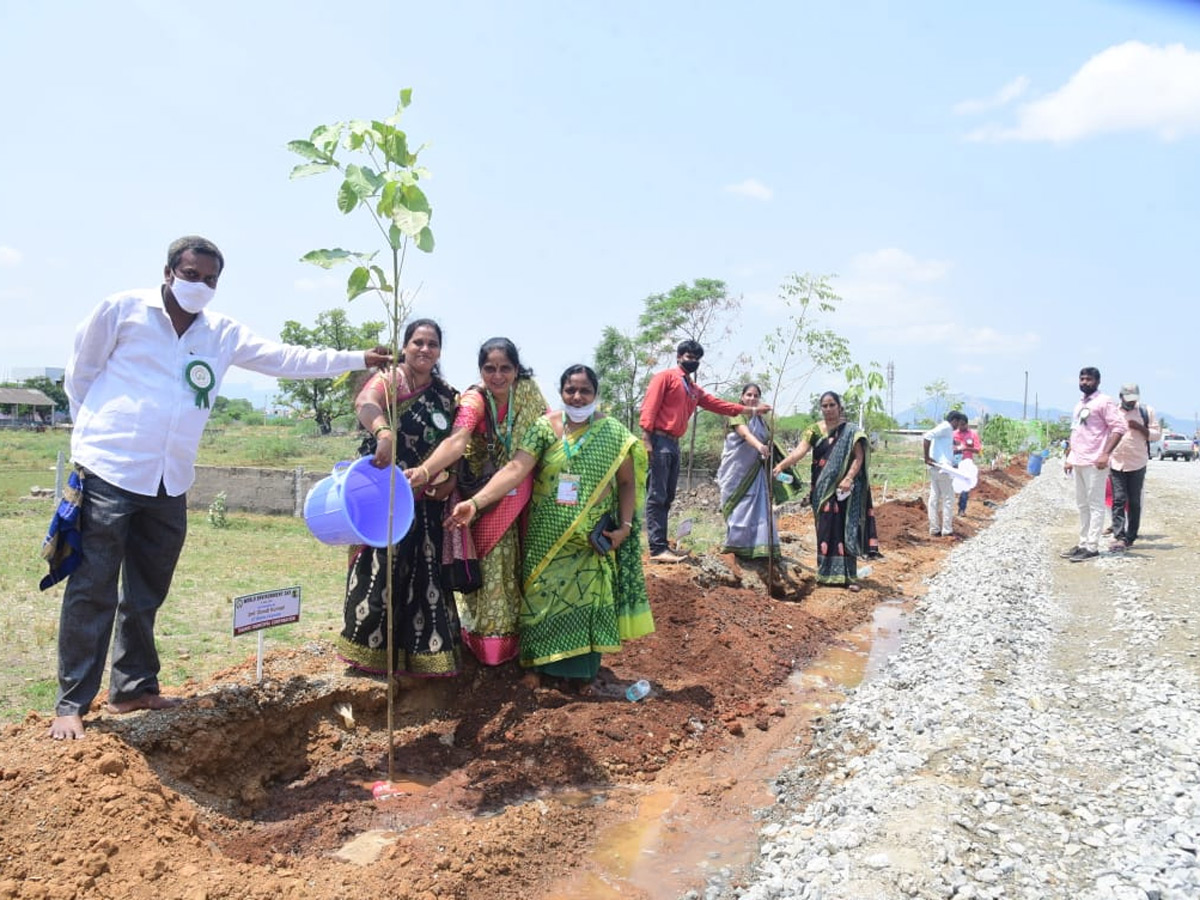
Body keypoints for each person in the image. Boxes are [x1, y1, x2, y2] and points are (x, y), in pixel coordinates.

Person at [49, 235, 391, 740]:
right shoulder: (122, 310)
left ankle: (133, 687)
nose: (201, 286)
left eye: (211, 280)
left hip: (171, 479)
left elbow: (286, 359)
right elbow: (81, 373)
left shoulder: (221, 334)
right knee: (92, 587)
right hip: (111, 469)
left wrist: (357, 358)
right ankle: (71, 704)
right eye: (192, 275)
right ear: (168, 272)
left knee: (146, 590)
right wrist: (92, 435)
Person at [447, 365, 653, 692]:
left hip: (589, 542)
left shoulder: (614, 434)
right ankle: (536, 669)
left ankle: (584, 676)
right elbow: (516, 468)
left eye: (585, 390)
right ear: (561, 392)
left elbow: (627, 483)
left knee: (588, 602)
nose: (577, 396)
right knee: (539, 599)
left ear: (595, 394)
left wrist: (625, 527)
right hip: (546, 536)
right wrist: (476, 503)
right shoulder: (545, 428)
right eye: (570, 390)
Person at [404, 337, 548, 665]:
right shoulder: (473, 400)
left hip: (523, 488)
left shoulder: (528, 393)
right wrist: (427, 472)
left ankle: (515, 642)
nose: (497, 376)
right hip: (479, 496)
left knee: (515, 566)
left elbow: (544, 437)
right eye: (489, 368)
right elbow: (458, 441)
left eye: (505, 368)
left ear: (516, 369)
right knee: (491, 567)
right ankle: (487, 648)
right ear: (480, 369)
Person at [337, 319, 462, 677]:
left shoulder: (445, 394)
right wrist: (383, 431)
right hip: (383, 493)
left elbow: (456, 445)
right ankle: (368, 660)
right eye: (418, 342)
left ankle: (424, 659)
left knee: (425, 575)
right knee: (379, 572)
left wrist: (451, 478)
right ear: (404, 346)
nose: (425, 349)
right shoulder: (392, 380)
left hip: (424, 499)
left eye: (432, 344)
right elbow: (366, 402)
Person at [639, 340, 770, 563]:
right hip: (659, 441)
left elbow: (719, 405)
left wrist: (752, 409)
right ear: (679, 357)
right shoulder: (665, 377)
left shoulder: (692, 388)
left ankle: (663, 545)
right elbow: (649, 407)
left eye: (696, 359)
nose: (693, 362)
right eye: (689, 357)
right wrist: (646, 439)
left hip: (674, 444)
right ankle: (657, 548)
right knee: (657, 495)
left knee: (668, 495)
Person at [773, 391, 879, 590]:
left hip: (843, 490)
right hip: (821, 489)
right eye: (825, 406)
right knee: (825, 530)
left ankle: (848, 577)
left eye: (832, 405)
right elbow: (799, 451)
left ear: (840, 407)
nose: (828, 410)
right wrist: (781, 466)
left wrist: (848, 478)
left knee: (844, 528)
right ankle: (826, 574)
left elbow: (858, 457)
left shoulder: (850, 431)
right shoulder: (814, 431)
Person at [715, 384, 798, 558]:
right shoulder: (736, 414)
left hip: (756, 471)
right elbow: (745, 435)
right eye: (748, 395)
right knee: (739, 507)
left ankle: (759, 547)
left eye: (755, 396)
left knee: (758, 507)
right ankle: (736, 546)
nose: (752, 398)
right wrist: (759, 446)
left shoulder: (761, 420)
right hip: (736, 470)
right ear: (742, 396)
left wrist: (781, 460)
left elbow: (769, 441)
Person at [1062, 367, 1127, 562]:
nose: (1084, 382)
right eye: (1082, 379)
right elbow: (1076, 431)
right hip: (1079, 460)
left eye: (1088, 379)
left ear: (1098, 381)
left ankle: (1092, 547)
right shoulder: (1080, 404)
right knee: (1082, 504)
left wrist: (1105, 454)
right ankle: (1082, 543)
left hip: (1095, 461)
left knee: (1095, 504)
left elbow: (1119, 427)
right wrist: (1070, 457)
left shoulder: (1104, 401)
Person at [1107, 382, 1159, 552]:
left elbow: (1156, 435)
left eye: (1133, 399)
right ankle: (1119, 536)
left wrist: (1139, 427)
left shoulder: (1146, 411)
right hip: (1116, 462)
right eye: (1127, 399)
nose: (1130, 402)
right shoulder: (1112, 411)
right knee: (1119, 500)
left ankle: (1131, 537)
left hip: (1137, 462)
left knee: (1135, 501)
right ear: (1120, 396)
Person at [923, 411, 969, 537]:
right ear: (954, 420)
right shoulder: (946, 427)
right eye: (958, 423)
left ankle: (934, 529)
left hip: (936, 467)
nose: (958, 426)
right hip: (942, 468)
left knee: (934, 497)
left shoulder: (946, 430)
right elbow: (927, 436)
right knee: (948, 498)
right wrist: (926, 457)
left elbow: (943, 447)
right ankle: (947, 530)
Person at [952, 417, 983, 515]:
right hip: (954, 463)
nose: (961, 427)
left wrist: (966, 448)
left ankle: (962, 509)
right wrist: (955, 448)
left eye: (963, 425)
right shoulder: (953, 434)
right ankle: (949, 508)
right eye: (959, 425)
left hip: (966, 463)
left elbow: (978, 449)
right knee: (951, 484)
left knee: (965, 486)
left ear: (966, 424)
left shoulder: (973, 434)